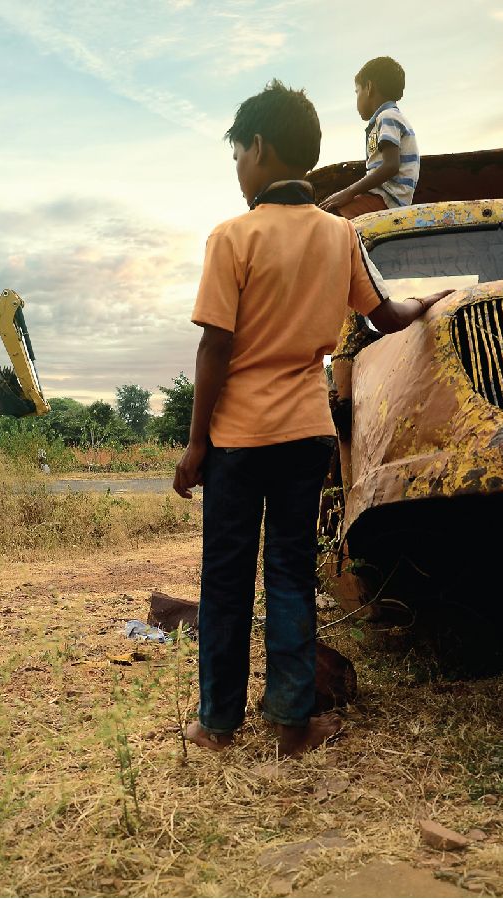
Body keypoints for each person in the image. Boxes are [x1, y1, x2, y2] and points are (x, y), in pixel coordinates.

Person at [173, 80, 445, 757]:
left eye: (238, 156)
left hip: (237, 439)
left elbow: (215, 345)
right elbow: (383, 314)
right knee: (291, 573)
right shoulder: (339, 235)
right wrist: (427, 304)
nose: (237, 170)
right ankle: (292, 722)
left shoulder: (231, 237)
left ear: (259, 149)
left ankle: (217, 721)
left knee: (226, 577)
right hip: (304, 434)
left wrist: (195, 440)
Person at [318, 57, 419, 218]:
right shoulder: (388, 117)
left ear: (369, 87)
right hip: (381, 197)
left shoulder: (388, 117)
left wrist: (349, 192)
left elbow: (391, 166)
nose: (357, 98)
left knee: (331, 218)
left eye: (357, 91)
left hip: (385, 199)